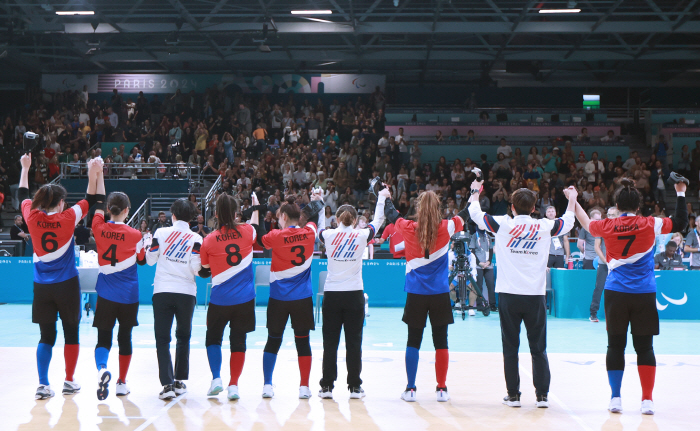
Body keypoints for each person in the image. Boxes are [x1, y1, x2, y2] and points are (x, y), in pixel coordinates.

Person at [572, 177, 687, 415]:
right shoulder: (650, 223)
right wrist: (681, 192)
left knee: (615, 346)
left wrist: (573, 200)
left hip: (615, 293)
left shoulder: (607, 225)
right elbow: (681, 222)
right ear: (638, 205)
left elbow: (584, 222)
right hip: (644, 293)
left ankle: (616, 398)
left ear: (617, 204)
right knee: (645, 348)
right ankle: (647, 400)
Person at [469, 180, 577, 409]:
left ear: (513, 207)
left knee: (510, 348)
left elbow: (474, 213)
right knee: (538, 348)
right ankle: (542, 396)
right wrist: (572, 199)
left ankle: (514, 396)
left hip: (508, 295)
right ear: (534, 208)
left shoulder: (502, 225)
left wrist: (475, 191)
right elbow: (568, 222)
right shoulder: (545, 226)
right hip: (535, 296)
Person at [18, 153, 98, 400]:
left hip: (42, 288)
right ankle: (69, 381)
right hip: (67, 286)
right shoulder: (68, 218)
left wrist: (25, 168)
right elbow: (91, 199)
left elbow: (22, 195)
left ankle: (43, 385)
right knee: (71, 333)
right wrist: (92, 173)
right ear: (62, 203)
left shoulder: (31, 217)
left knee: (46, 336)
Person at [382, 190, 468, 403]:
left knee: (413, 340)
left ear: (419, 208)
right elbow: (467, 213)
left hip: (416, 294)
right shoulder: (447, 226)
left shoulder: (409, 227)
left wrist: (384, 194)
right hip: (439, 293)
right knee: (441, 341)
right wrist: (475, 192)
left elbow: (391, 213)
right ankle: (441, 389)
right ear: (438, 208)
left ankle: (410, 389)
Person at [317, 197, 387, 399]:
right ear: (355, 220)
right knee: (354, 342)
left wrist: (320, 203)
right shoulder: (362, 235)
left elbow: (319, 227)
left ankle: (327, 387)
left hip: (332, 295)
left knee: (330, 343)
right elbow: (379, 220)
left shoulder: (328, 235)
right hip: (354, 295)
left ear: (337, 219)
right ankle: (355, 387)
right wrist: (381, 197)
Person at [258, 193, 325, 399]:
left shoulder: (276, 236)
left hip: (278, 298)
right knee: (303, 342)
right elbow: (315, 218)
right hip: (302, 298)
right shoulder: (310, 233)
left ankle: (267, 385)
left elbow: (261, 239)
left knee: (273, 341)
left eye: (279, 217)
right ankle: (304, 387)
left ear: (284, 218)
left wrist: (257, 211)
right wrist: (317, 198)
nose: (278, 220)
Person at [199, 193, 265, 401]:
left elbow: (205, 270)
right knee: (239, 342)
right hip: (244, 300)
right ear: (236, 213)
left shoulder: (208, 240)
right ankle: (234, 385)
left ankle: (216, 379)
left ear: (216, 214)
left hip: (219, 300)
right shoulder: (247, 232)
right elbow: (254, 227)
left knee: (213, 339)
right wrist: (255, 207)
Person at [91, 179, 147, 400]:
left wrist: (97, 175)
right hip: (128, 295)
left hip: (105, 293)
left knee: (103, 339)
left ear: (107, 209)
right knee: (125, 338)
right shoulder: (135, 235)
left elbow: (96, 202)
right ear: (126, 211)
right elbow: (142, 259)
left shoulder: (98, 227)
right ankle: (122, 382)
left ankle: (102, 368)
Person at [146, 198, 203, 400]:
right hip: (186, 292)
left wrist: (147, 244)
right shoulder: (196, 238)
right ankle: (180, 381)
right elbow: (197, 269)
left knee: (162, 338)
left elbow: (150, 261)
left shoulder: (160, 233)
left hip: (162, 291)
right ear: (191, 218)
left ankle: (167, 384)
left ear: (174, 215)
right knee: (183, 336)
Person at [590, 207, 619, 322]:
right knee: (599, 288)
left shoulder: (621, 228)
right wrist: (606, 261)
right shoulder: (602, 227)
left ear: (618, 215)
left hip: (618, 265)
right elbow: (597, 247)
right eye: (609, 215)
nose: (610, 217)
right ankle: (593, 313)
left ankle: (616, 314)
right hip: (604, 264)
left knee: (618, 290)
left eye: (613, 215)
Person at [470, 227, 496, 312]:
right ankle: (480, 305)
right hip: (479, 265)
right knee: (479, 286)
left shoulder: (488, 236)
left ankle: (492, 305)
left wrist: (489, 261)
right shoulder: (474, 236)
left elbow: (491, 250)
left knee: (491, 285)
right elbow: (472, 251)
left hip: (488, 265)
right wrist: (478, 263)